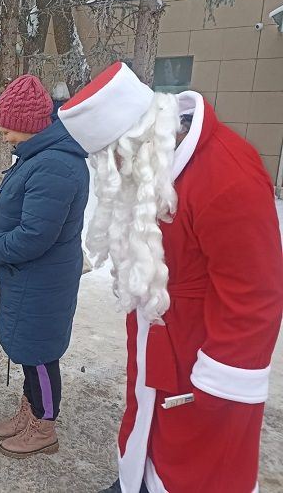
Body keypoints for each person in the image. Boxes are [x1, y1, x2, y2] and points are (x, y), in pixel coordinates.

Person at [57, 62, 283, 493]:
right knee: (148, 436)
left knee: (194, 464)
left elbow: (256, 297)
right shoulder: (159, 171)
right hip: (160, 351)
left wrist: (216, 390)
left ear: (142, 139)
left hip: (204, 364)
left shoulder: (228, 173)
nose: (117, 169)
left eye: (116, 156)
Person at [0, 74, 90, 458]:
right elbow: (21, 218)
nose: (3, 135)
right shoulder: (40, 157)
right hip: (31, 278)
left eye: (7, 128)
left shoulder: (54, 166)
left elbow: (34, 236)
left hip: (42, 280)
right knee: (29, 350)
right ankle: (29, 411)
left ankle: (44, 426)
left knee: (39, 354)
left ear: (29, 126)